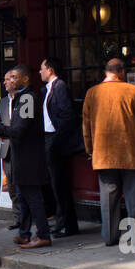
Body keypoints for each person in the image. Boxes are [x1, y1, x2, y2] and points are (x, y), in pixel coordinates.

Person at [82, 58, 135, 247]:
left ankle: (110, 237)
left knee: (107, 200)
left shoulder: (91, 93)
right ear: (121, 72)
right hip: (130, 153)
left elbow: (86, 128)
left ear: (106, 72)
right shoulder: (132, 91)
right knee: (133, 198)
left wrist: (91, 151)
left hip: (103, 155)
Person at [0, 63, 51, 249]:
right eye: (7, 78)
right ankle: (24, 234)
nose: (7, 81)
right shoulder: (20, 99)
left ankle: (43, 235)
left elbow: (19, 130)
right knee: (23, 198)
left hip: (29, 159)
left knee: (33, 198)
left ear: (24, 79)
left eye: (12, 78)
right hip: (21, 158)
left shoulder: (28, 100)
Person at [40, 56, 81, 238]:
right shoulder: (48, 89)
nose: (40, 71)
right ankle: (61, 222)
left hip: (55, 141)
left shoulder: (60, 87)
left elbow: (67, 116)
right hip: (48, 139)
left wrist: (56, 139)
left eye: (42, 68)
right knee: (55, 184)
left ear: (50, 70)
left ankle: (67, 225)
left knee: (59, 184)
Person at [0, 68, 26, 232]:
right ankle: (18, 218)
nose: (4, 82)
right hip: (6, 150)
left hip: (22, 149)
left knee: (24, 186)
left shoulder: (25, 100)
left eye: (7, 79)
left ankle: (27, 218)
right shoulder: (3, 102)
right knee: (11, 186)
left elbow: (24, 127)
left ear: (16, 80)